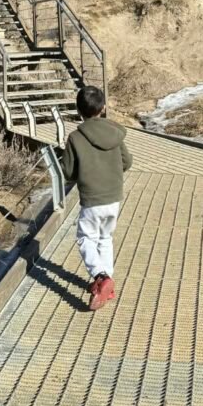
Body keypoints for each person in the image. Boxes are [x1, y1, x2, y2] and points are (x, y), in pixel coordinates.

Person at [60, 85, 133, 311]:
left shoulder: (75, 138)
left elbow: (68, 172)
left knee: (85, 238)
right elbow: (127, 162)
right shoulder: (115, 132)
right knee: (105, 238)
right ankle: (106, 287)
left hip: (92, 198)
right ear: (103, 108)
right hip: (113, 197)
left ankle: (101, 276)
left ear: (78, 110)